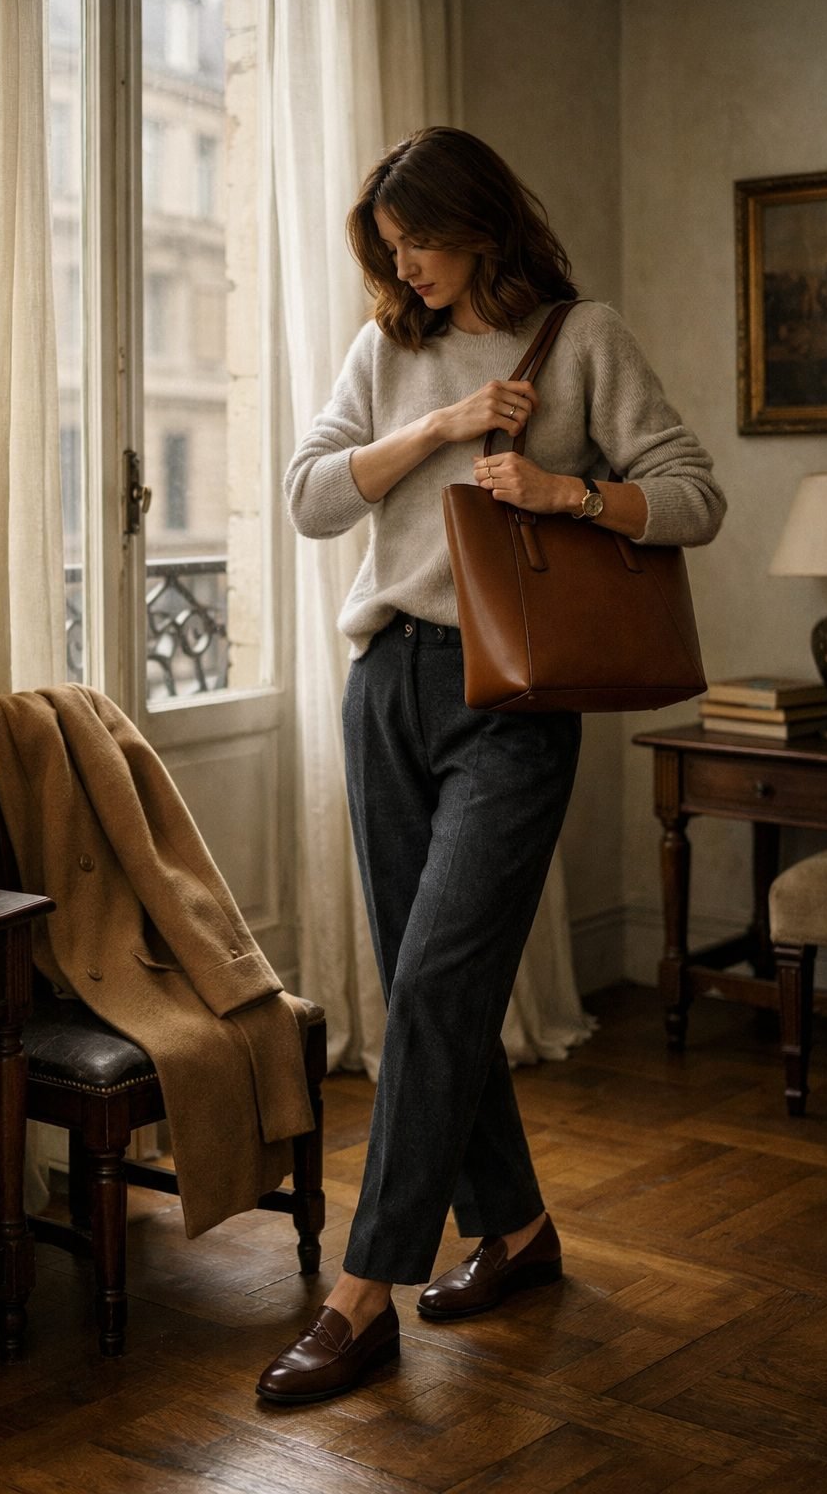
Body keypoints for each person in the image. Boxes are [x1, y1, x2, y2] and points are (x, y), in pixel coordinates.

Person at [256, 127, 726, 1405]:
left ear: (482, 226)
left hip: (514, 703)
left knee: (438, 981)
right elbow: (306, 499)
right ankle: (514, 1232)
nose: (403, 269)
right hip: (385, 691)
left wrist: (567, 496)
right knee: (432, 993)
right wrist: (441, 429)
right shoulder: (384, 349)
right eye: (389, 250)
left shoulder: (581, 338)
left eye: (418, 243)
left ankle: (363, 1293)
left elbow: (692, 495)